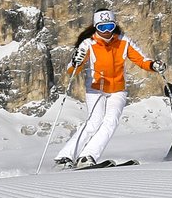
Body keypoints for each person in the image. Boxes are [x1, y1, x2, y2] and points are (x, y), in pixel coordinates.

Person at [54, 9, 165, 169]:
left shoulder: (123, 42)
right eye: (102, 27)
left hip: (117, 90)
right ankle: (65, 157)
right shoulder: (88, 43)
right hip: (95, 89)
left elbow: (141, 60)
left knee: (111, 121)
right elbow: (72, 70)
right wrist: (75, 62)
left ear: (114, 25)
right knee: (94, 121)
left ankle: (88, 155)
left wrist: (153, 65)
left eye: (110, 26)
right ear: (95, 27)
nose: (106, 31)